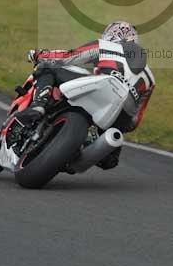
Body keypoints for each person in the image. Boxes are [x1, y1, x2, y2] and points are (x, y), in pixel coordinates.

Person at [15, 21, 155, 170]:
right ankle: (85, 150)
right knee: (109, 161)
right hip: (121, 115)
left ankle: (38, 106)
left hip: (104, 87)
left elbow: (68, 57)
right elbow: (135, 120)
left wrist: (39, 54)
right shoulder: (150, 79)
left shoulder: (106, 46)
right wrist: (120, 125)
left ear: (111, 34)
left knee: (47, 65)